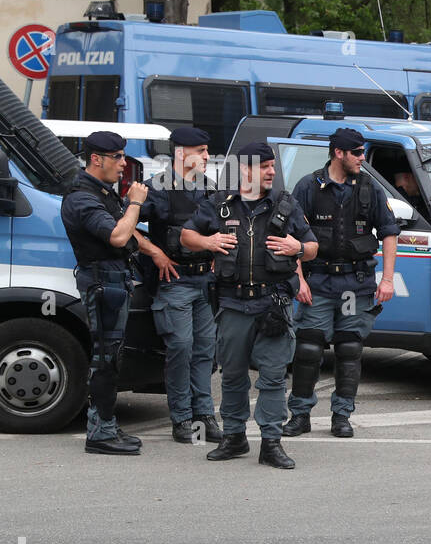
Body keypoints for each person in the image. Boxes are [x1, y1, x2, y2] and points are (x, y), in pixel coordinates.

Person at [181, 141, 318, 469]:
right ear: (245, 170)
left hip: (273, 305)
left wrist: (298, 246)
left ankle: (271, 442)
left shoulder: (286, 205)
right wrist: (208, 241)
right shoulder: (220, 204)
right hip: (232, 305)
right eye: (265, 166)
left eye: (273, 166)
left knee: (272, 375)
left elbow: (312, 247)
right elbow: (186, 236)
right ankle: (234, 437)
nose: (272, 171)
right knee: (232, 375)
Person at [282, 128, 399, 439]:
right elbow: (290, 236)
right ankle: (300, 414)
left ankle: (342, 415)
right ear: (338, 153)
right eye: (357, 153)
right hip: (318, 281)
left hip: (354, 283)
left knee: (349, 348)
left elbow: (389, 233)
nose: (363, 158)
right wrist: (298, 278)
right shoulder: (308, 186)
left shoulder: (368, 188)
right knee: (307, 348)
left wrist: (387, 279)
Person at [60, 131, 172, 455]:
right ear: (97, 159)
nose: (124, 164)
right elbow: (119, 236)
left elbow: (131, 231)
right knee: (105, 359)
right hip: (102, 282)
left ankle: (105, 424)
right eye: (118, 157)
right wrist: (135, 201)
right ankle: (99, 433)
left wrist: (154, 251)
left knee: (112, 358)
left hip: (114, 280)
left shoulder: (101, 192)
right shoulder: (82, 198)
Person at [141, 126, 222, 445]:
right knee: (180, 348)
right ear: (180, 153)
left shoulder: (209, 188)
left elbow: (222, 226)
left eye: (206, 151)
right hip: (175, 281)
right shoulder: (156, 188)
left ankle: (204, 416)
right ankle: (181, 418)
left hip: (205, 280)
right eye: (200, 151)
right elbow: (124, 225)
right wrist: (155, 252)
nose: (206, 156)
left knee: (205, 351)